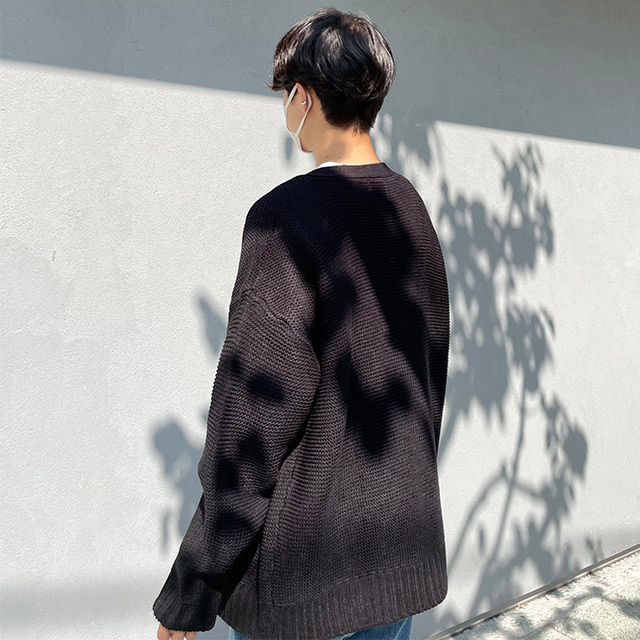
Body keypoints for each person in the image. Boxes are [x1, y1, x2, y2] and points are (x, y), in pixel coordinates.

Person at [153, 7, 450, 640]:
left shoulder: (286, 218)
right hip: (399, 563)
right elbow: (426, 386)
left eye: (286, 95)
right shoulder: (410, 210)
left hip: (308, 590)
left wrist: (192, 590)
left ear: (304, 96)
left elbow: (250, 421)